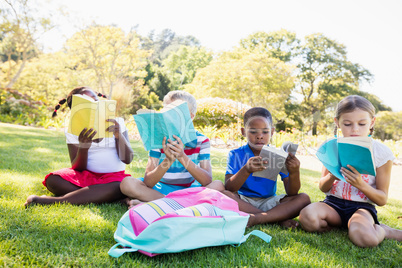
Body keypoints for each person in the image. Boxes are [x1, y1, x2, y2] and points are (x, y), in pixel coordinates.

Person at [299, 95, 402, 247]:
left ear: (372, 122)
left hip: (362, 209)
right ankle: (344, 226)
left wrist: (361, 184)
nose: (355, 129)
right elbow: (322, 187)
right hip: (332, 205)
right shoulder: (331, 147)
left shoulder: (382, 154)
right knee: (307, 217)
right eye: (347, 124)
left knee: (366, 239)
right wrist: (332, 177)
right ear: (337, 122)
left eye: (362, 123)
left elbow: (382, 199)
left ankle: (383, 230)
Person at [25, 86, 134, 206]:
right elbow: (77, 168)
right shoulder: (73, 130)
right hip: (86, 177)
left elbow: (127, 159)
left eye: (94, 100)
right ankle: (108, 197)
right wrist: (83, 147)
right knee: (53, 180)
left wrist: (119, 136)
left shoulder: (117, 123)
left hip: (113, 179)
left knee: (121, 186)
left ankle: (57, 201)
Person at [120, 90, 224, 206]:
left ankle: (159, 203)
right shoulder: (158, 140)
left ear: (190, 117)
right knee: (127, 183)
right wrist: (168, 160)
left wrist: (182, 156)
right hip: (160, 190)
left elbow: (207, 180)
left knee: (218, 185)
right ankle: (178, 204)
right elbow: (149, 182)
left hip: (190, 191)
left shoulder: (202, 141)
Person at [223, 107, 310, 228]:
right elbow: (229, 187)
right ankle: (275, 219)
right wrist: (246, 169)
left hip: (269, 202)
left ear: (272, 131)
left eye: (265, 132)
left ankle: (257, 218)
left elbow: (292, 192)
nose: (259, 136)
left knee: (304, 198)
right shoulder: (235, 154)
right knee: (223, 194)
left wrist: (294, 172)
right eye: (253, 132)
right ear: (243, 131)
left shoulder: (278, 156)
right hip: (243, 201)